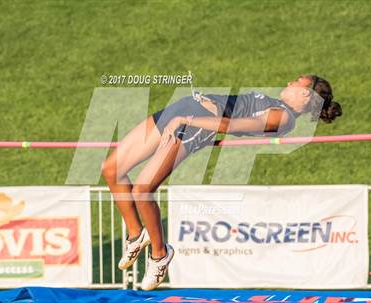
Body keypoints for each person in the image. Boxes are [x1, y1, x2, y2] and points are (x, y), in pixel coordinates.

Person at [101, 75, 342, 290]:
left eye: (296, 82)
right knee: (112, 169)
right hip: (183, 109)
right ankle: (136, 234)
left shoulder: (282, 118)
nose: (289, 83)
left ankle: (160, 255)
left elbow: (231, 125)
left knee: (143, 189)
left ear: (305, 93)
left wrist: (186, 119)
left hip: (197, 121)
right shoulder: (277, 105)